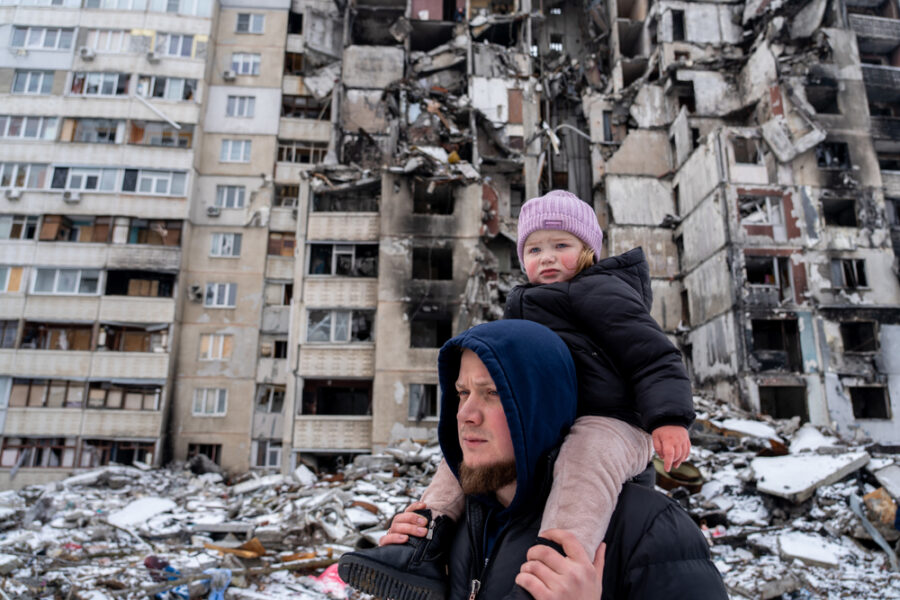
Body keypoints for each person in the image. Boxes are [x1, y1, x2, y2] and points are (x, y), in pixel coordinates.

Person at [338, 320, 727, 599]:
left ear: (540, 409)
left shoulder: (649, 528)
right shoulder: (458, 526)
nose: (466, 414)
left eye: (491, 394)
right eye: (461, 393)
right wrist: (420, 570)